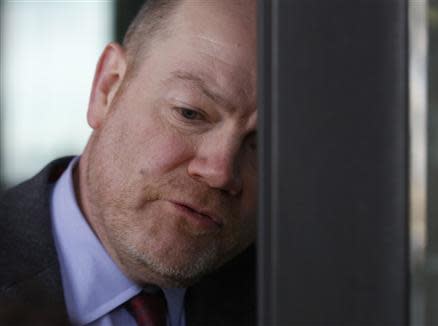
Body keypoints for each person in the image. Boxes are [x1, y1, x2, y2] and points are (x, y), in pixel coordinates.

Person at [0, 0, 257, 325]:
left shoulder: (303, 296)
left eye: (261, 145)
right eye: (190, 113)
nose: (221, 172)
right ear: (107, 87)